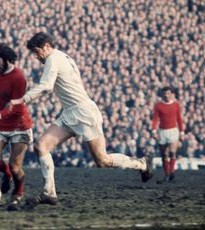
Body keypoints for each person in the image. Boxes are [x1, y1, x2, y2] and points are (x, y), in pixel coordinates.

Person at [9, 32, 153, 208]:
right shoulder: (63, 56)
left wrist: (21, 100)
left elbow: (46, 86)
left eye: (37, 51)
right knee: (41, 146)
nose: (36, 56)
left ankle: (141, 164)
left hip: (84, 113)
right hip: (70, 112)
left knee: (103, 160)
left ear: (47, 46)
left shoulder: (54, 58)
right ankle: (49, 193)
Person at [0, 43, 33, 211]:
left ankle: (18, 193)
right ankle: (8, 175)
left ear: (7, 58)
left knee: (15, 166)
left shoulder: (19, 77)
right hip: (1, 124)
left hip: (19, 125)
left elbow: (17, 107)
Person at [151, 86, 184, 183]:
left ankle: (172, 171)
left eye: (168, 93)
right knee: (164, 154)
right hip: (162, 131)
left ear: (171, 94)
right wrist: (154, 131)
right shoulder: (158, 106)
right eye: (165, 93)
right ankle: (168, 174)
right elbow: (155, 119)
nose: (166, 95)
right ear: (162, 94)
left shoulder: (176, 105)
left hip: (173, 131)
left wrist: (182, 131)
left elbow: (179, 119)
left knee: (172, 152)